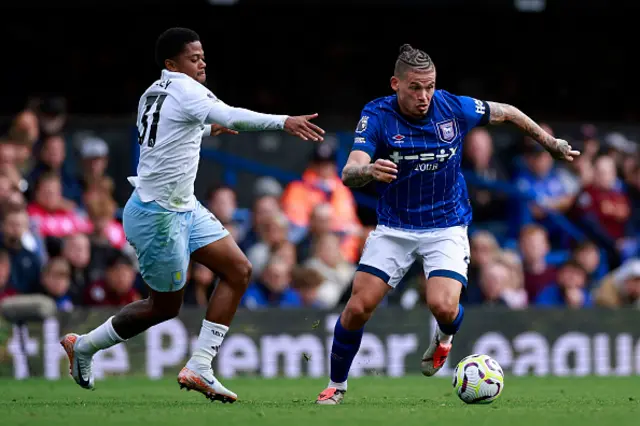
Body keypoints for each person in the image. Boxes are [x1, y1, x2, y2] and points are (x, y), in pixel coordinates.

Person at [59, 27, 324, 403]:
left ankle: (200, 364)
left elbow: (168, 137)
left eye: (202, 56)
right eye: (193, 57)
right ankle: (84, 345)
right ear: (172, 64)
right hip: (159, 215)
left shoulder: (151, 92)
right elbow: (232, 113)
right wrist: (284, 121)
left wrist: (206, 129)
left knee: (239, 270)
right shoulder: (187, 90)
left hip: (183, 207)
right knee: (164, 307)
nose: (202, 62)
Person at [315, 44, 579, 405]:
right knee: (358, 307)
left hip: (446, 224)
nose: (424, 96)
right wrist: (368, 170)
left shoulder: (454, 107)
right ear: (396, 84)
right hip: (395, 227)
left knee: (443, 307)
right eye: (415, 87)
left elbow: (509, 113)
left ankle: (443, 339)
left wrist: (550, 144)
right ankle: (336, 385)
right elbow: (349, 170)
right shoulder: (376, 114)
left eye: (430, 86)